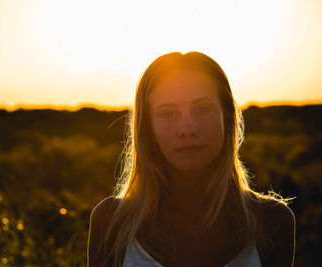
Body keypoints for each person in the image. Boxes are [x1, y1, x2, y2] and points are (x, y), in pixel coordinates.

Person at [87, 52, 295, 267]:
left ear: (227, 116)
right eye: (168, 113)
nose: (188, 129)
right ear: (148, 129)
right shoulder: (112, 222)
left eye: (202, 109)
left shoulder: (272, 222)